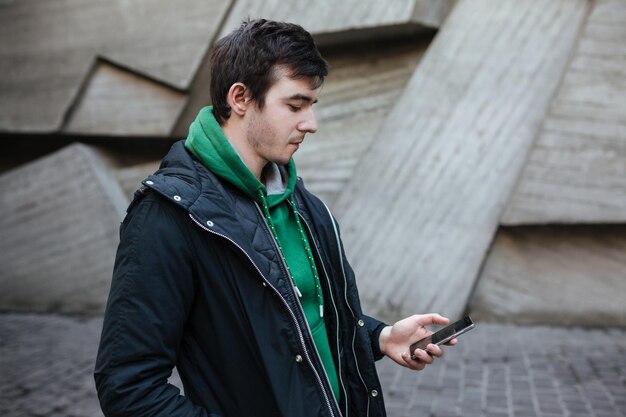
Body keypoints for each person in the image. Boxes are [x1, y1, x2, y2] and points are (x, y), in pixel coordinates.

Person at [94, 18, 456, 417]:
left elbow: (297, 318)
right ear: (240, 98)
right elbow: (128, 386)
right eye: (295, 105)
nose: (310, 124)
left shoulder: (301, 202)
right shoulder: (168, 215)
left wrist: (378, 336)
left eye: (312, 106)